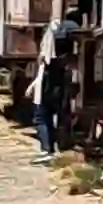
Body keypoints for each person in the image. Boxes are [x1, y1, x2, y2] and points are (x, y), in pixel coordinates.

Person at [31, 9, 80, 160]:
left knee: (41, 115)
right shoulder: (70, 39)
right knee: (60, 113)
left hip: (48, 80)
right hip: (62, 80)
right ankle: (61, 146)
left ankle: (47, 149)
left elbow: (44, 61)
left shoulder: (51, 32)